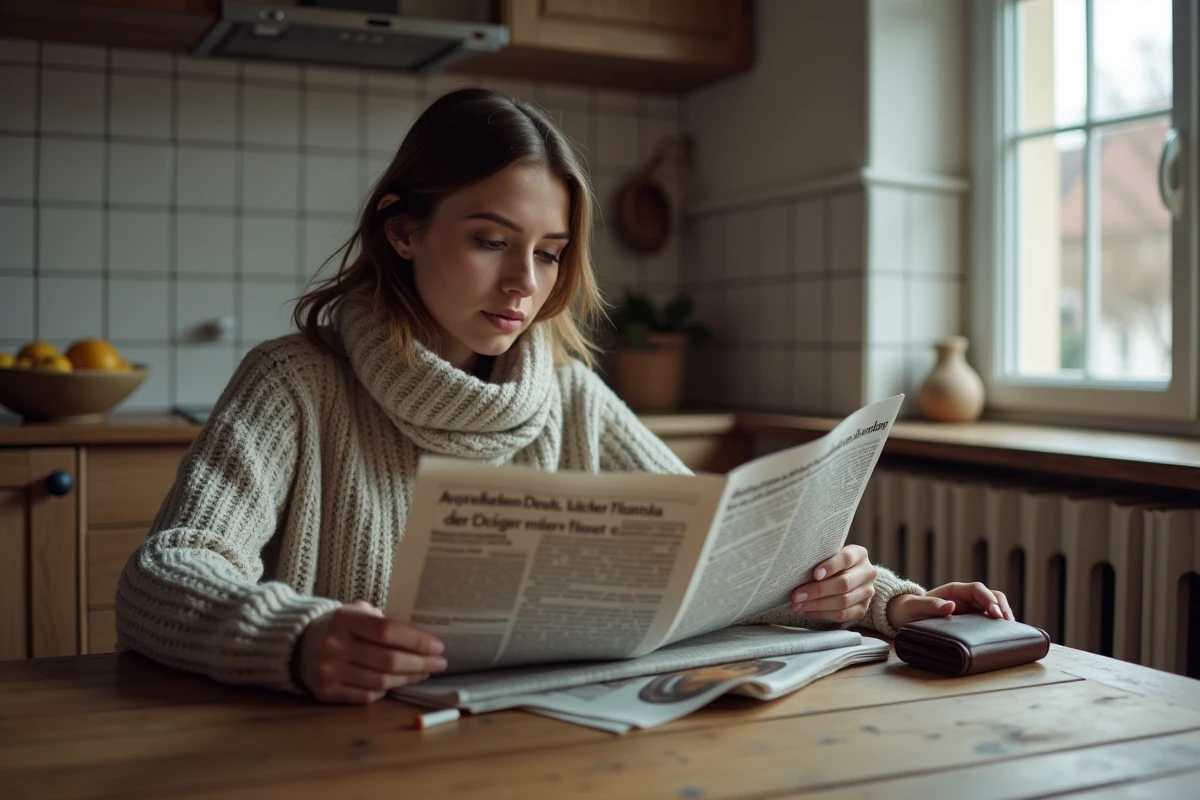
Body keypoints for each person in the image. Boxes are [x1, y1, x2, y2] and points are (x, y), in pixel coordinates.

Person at [115, 88, 1013, 705]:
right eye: (489, 239)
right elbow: (165, 574)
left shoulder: (568, 392)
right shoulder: (294, 382)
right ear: (401, 230)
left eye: (547, 253)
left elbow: (717, 556)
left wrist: (888, 601)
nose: (522, 283)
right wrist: (296, 639)